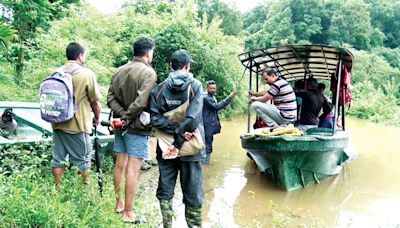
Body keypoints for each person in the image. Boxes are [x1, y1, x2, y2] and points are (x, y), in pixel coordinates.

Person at [149, 49, 204, 227]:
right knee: (193, 190)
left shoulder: (158, 89)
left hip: (165, 146)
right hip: (189, 145)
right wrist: (181, 133)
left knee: (165, 188)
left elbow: (155, 118)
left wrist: (172, 131)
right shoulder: (195, 86)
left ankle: (167, 224)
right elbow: (193, 117)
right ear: (187, 66)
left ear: (170, 66)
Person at [107, 37, 157, 222]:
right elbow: (141, 101)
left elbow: (110, 98)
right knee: (133, 170)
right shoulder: (149, 73)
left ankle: (119, 203)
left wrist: (121, 117)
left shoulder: (119, 70)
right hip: (136, 127)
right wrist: (127, 118)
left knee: (120, 163)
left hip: (121, 126)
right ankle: (128, 213)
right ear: (148, 53)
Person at [51, 42, 102, 185]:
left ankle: (58, 188)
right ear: (80, 56)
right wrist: (97, 117)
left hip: (57, 123)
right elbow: (95, 101)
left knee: (58, 158)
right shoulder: (87, 74)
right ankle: (86, 190)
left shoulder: (57, 72)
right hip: (78, 125)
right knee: (84, 159)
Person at [202, 80, 236, 165]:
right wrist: (230, 97)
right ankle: (205, 165)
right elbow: (218, 106)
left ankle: (205, 164)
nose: (213, 90)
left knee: (208, 142)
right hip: (206, 124)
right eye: (211, 88)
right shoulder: (205, 97)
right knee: (207, 144)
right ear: (207, 88)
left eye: (214, 88)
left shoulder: (211, 96)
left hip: (209, 123)